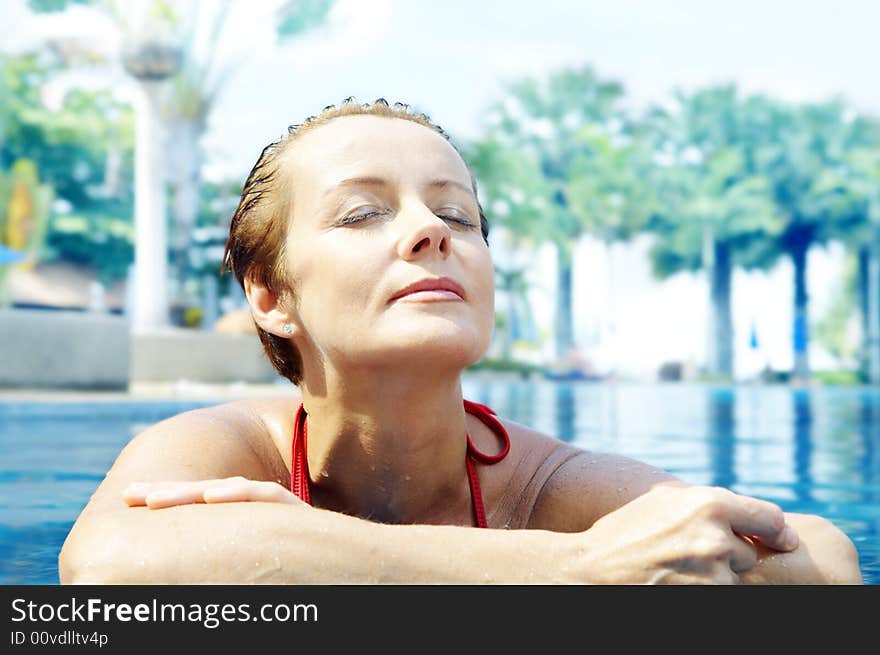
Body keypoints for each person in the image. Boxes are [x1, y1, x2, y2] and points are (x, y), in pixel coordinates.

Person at [59, 98, 862, 585]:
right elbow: (100, 570)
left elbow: (824, 562)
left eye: (457, 215)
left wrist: (293, 552)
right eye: (363, 212)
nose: (429, 233)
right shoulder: (229, 444)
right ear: (270, 296)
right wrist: (576, 569)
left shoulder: (547, 487)